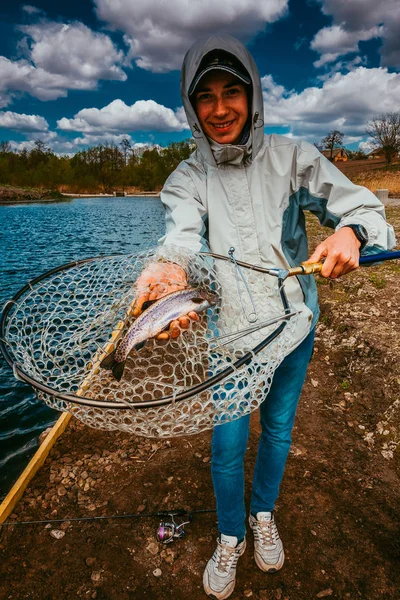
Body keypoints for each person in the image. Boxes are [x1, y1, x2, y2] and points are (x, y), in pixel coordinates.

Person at [134, 35, 395, 599]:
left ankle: (262, 515)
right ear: (190, 104)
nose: (220, 108)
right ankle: (230, 536)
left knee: (277, 429)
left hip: (294, 328)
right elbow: (180, 232)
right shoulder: (187, 177)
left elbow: (363, 207)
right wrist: (168, 267)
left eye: (233, 91)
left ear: (253, 97)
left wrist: (352, 231)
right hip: (230, 339)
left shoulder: (294, 157)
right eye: (205, 96)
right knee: (227, 446)